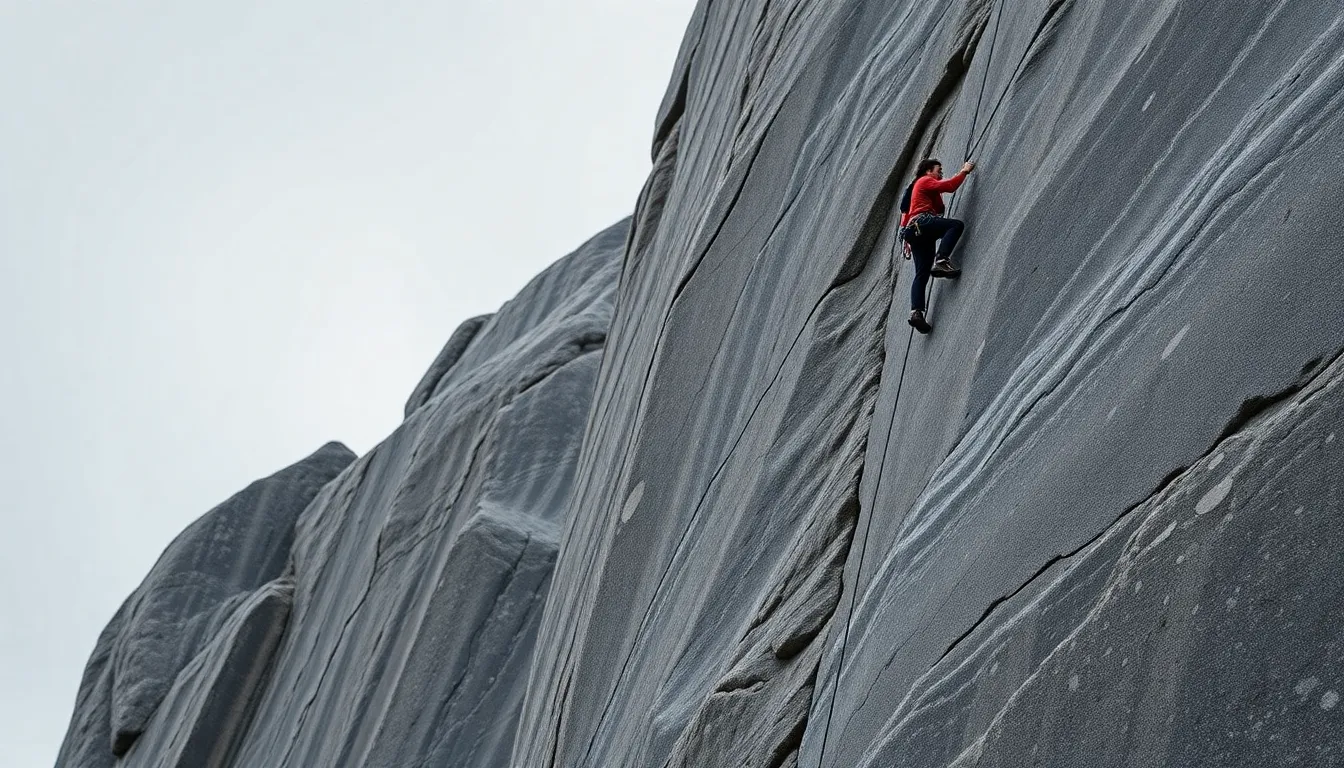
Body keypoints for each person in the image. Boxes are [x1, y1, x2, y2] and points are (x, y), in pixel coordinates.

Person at [898, 158, 975, 333]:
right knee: (956, 226)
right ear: (928, 171)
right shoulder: (924, 180)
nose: (941, 173)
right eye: (938, 170)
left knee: (922, 274)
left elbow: (940, 208)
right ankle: (941, 259)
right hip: (922, 222)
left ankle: (916, 313)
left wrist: (936, 193)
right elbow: (950, 187)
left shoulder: (923, 189)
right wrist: (964, 171)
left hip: (915, 232)